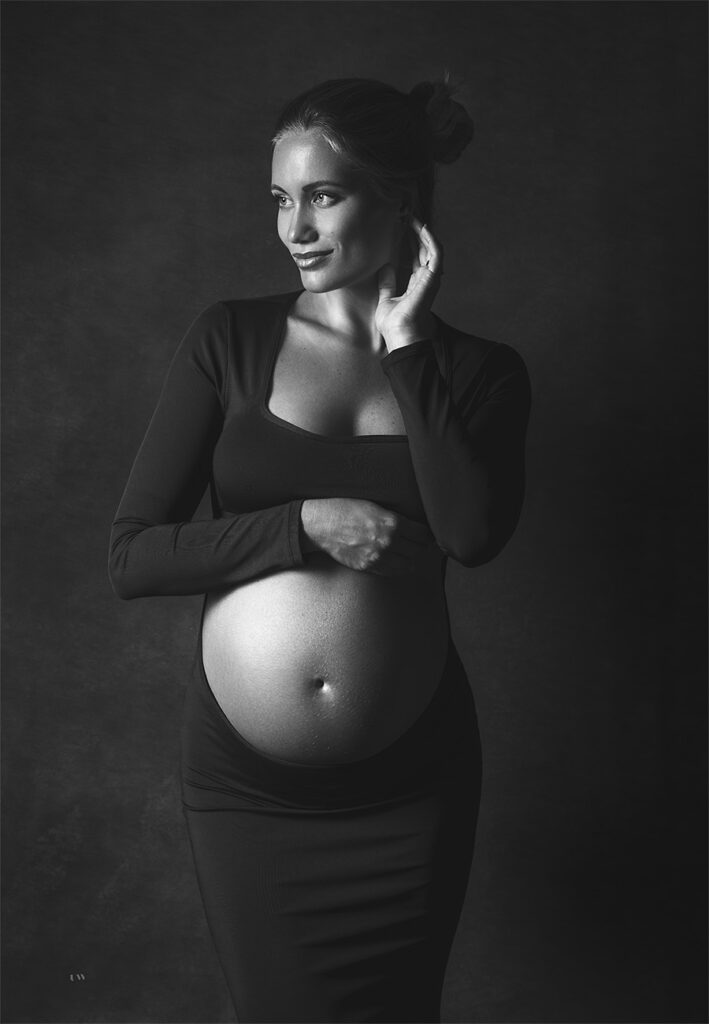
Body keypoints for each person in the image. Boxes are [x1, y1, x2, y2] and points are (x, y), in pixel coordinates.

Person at [108, 75, 531, 1024]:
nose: (293, 228)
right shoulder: (229, 338)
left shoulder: (478, 373)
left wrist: (406, 350)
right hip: (249, 791)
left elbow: (471, 535)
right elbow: (132, 557)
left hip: (411, 780)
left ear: (400, 200)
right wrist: (300, 524)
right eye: (279, 199)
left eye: (323, 196)